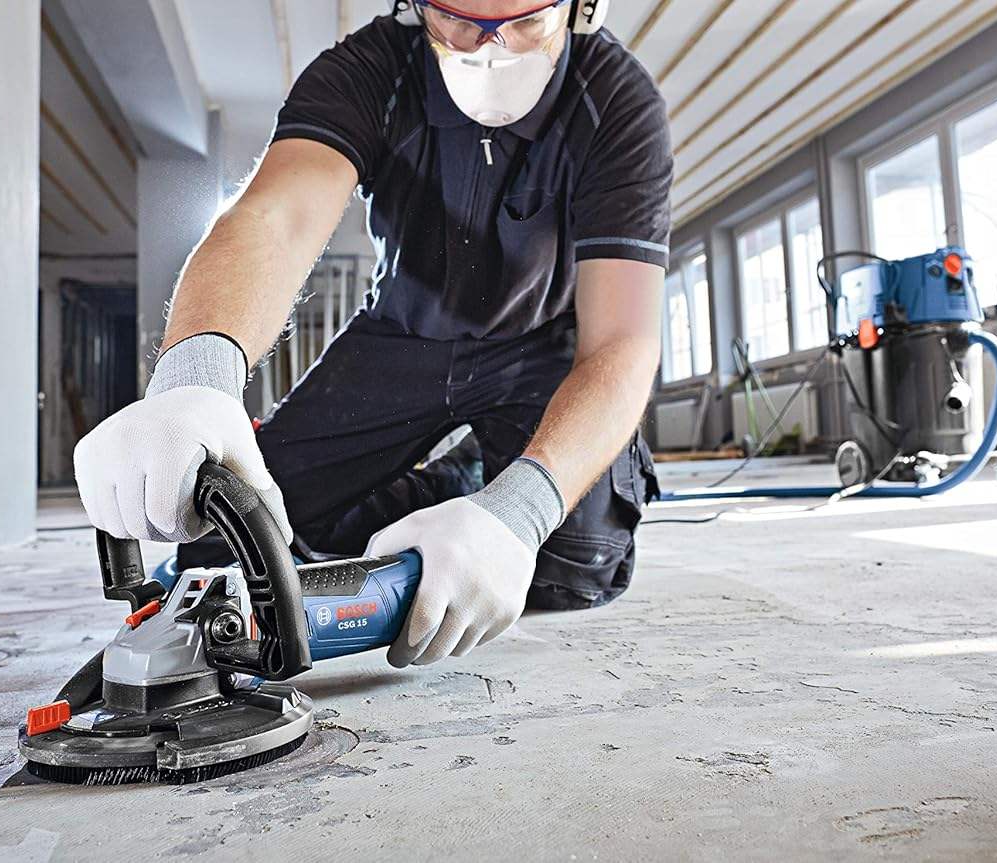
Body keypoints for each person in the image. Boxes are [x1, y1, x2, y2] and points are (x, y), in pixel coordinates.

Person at [73, 0, 671, 669]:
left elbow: (623, 339)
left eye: (526, 21)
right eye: (459, 20)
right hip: (400, 338)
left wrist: (521, 510)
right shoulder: (368, 69)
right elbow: (276, 218)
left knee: (571, 563)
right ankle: (459, 479)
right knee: (230, 537)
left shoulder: (618, 102)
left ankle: (489, 480)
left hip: (543, 355)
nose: (490, 49)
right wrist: (194, 377)